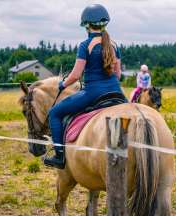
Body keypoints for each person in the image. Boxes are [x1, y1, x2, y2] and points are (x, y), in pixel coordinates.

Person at [44, 4, 123, 169]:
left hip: (93, 93)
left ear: (87, 25)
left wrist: (62, 84)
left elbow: (75, 75)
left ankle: (59, 156)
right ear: (105, 24)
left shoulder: (85, 45)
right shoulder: (115, 45)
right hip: (117, 92)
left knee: (55, 113)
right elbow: (118, 75)